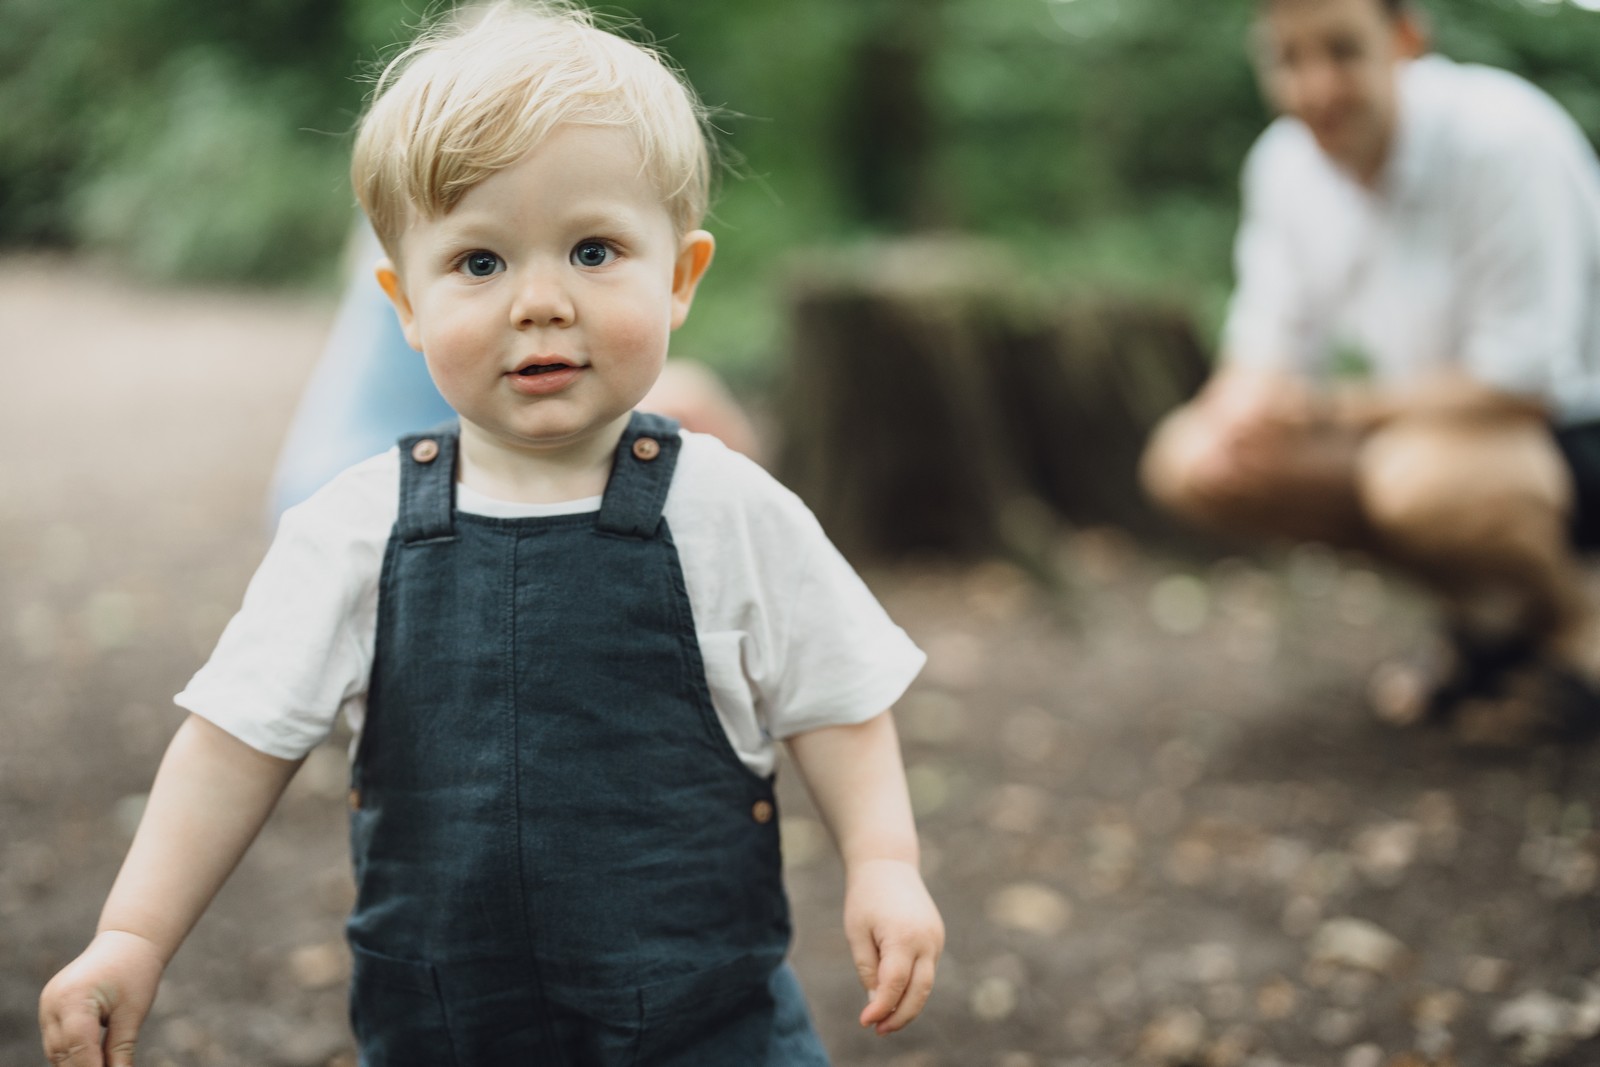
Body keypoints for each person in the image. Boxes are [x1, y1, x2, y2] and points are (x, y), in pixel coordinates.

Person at [38, 3, 943, 1064]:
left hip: (706, 1024)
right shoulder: (356, 529)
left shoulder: (732, 511)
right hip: (447, 1027)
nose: (541, 301)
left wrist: (882, 860)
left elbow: (838, 699)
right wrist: (132, 933)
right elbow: (233, 740)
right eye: (478, 263)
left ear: (682, 276)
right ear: (404, 304)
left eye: (594, 249)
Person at [1140, 0, 1600, 745]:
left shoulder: (1504, 140)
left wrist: (1326, 410)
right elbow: (1262, 346)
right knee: (1189, 458)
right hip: (1433, 431)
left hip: (1568, 430)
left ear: (1407, 41)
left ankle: (1581, 630)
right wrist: (1240, 415)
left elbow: (1522, 381)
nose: (1316, 90)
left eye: (1343, 52)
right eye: (1289, 59)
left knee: (1419, 482)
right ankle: (1488, 619)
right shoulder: (1286, 163)